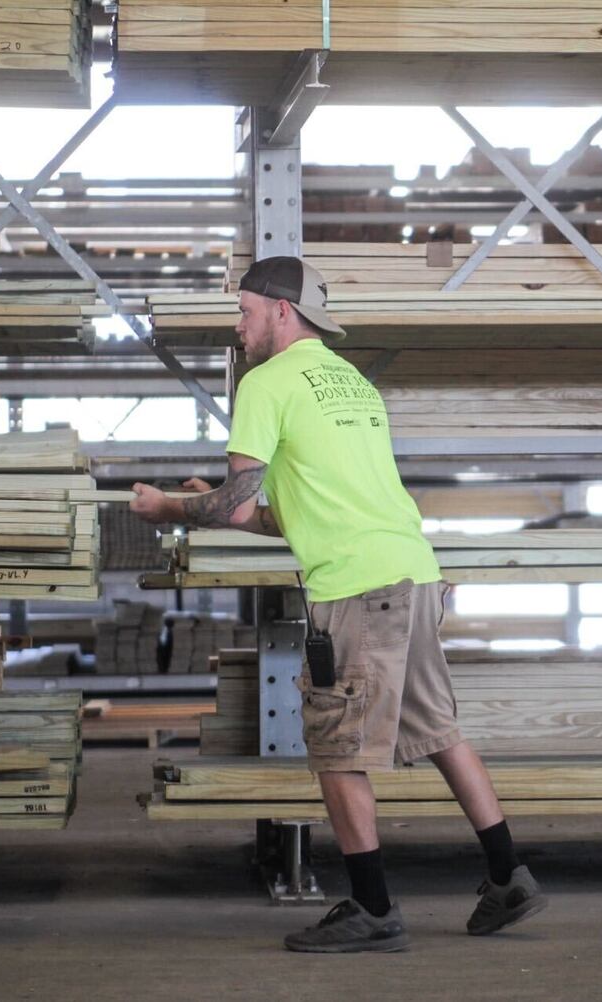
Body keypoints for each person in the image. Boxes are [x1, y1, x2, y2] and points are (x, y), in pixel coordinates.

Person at [130, 257, 546, 953]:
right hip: (412, 574)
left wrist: (170, 506)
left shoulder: (266, 382)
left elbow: (236, 497)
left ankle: (373, 908)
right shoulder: (351, 383)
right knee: (439, 730)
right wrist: (221, 506)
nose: (239, 326)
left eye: (245, 311)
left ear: (281, 311)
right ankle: (510, 876)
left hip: (358, 589)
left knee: (336, 748)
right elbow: (284, 512)